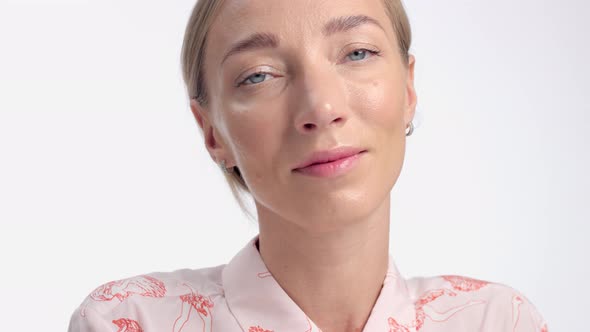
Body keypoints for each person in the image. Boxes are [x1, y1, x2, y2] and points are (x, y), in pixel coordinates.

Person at [67, 0, 548, 331]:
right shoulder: (130, 320)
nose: (320, 108)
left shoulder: (495, 320)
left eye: (358, 52)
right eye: (258, 75)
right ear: (211, 130)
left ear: (407, 89)